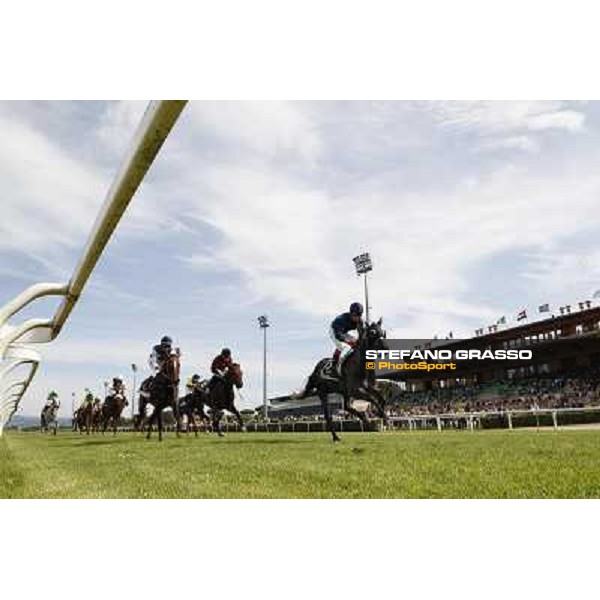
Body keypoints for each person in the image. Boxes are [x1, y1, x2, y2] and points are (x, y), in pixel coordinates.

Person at [329, 302, 364, 375]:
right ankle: (334, 366)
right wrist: (349, 341)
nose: (357, 317)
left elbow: (362, 335)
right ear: (351, 313)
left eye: (359, 315)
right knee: (344, 347)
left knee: (355, 341)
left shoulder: (360, 321)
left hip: (344, 332)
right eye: (355, 315)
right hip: (335, 331)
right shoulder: (341, 320)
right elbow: (338, 335)